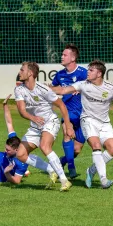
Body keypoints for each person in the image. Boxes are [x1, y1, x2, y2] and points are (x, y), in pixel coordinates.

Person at [51, 60, 113, 189]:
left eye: (91, 70)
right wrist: (44, 87)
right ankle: (104, 180)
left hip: (105, 123)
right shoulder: (83, 84)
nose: (87, 72)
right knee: (96, 145)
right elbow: (63, 90)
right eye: (88, 69)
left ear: (99, 73)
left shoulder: (112, 88)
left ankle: (91, 170)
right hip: (88, 120)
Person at [14, 61, 74, 192]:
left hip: (50, 122)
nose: (19, 72)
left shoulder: (44, 89)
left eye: (22, 70)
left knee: (44, 146)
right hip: (35, 125)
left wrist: (68, 126)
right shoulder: (19, 89)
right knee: (20, 154)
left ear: (30, 73)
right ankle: (51, 169)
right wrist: (33, 118)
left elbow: (62, 106)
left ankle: (64, 180)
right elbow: (22, 111)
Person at [51, 44, 88, 178]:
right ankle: (71, 169)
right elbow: (52, 88)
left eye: (64, 55)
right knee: (67, 134)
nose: (62, 56)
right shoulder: (59, 75)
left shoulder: (84, 73)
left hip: (84, 114)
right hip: (68, 112)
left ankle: (60, 162)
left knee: (77, 150)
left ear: (73, 58)